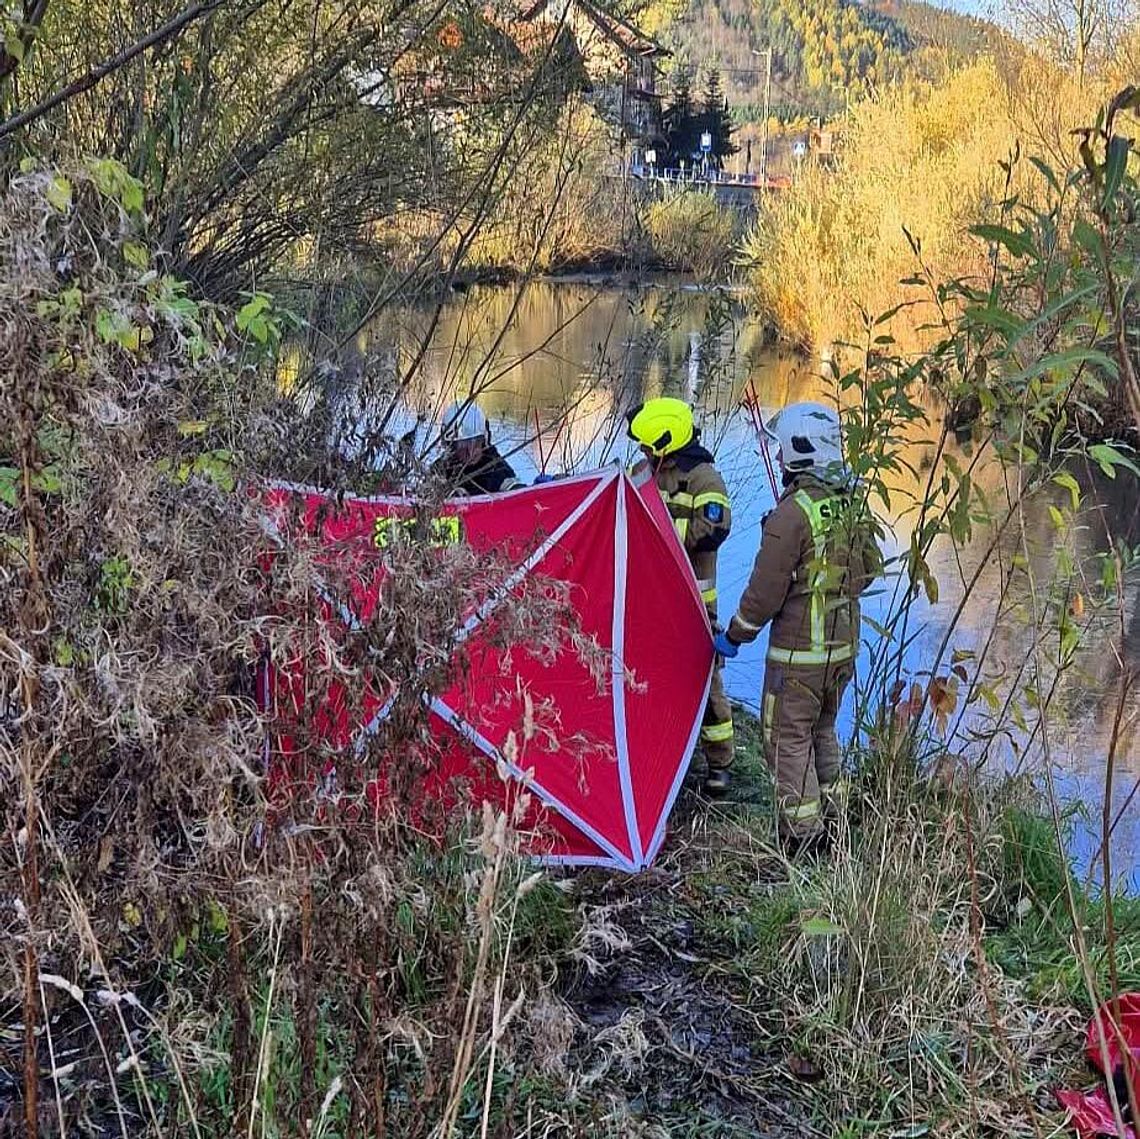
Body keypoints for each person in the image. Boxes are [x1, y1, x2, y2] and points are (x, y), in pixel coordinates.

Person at [713, 402, 881, 852]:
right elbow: (868, 574)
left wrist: (734, 635)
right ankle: (838, 821)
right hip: (842, 651)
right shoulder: (853, 504)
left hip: (797, 658)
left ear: (796, 450)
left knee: (787, 739)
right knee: (822, 731)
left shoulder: (791, 515)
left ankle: (803, 840)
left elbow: (764, 593)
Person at [627, 396, 735, 794]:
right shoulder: (644, 472)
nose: (641, 451)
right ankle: (658, 758)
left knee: (707, 689)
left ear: (666, 443)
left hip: (693, 607)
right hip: (650, 603)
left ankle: (719, 766)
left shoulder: (705, 478)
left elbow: (716, 529)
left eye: (646, 444)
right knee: (647, 682)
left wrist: (662, 542)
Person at [433, 400, 523, 496]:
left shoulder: (494, 465)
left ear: (484, 441)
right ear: (451, 447)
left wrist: (531, 491)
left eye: (476, 443)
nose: (470, 452)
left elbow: (513, 488)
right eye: (463, 446)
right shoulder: (441, 469)